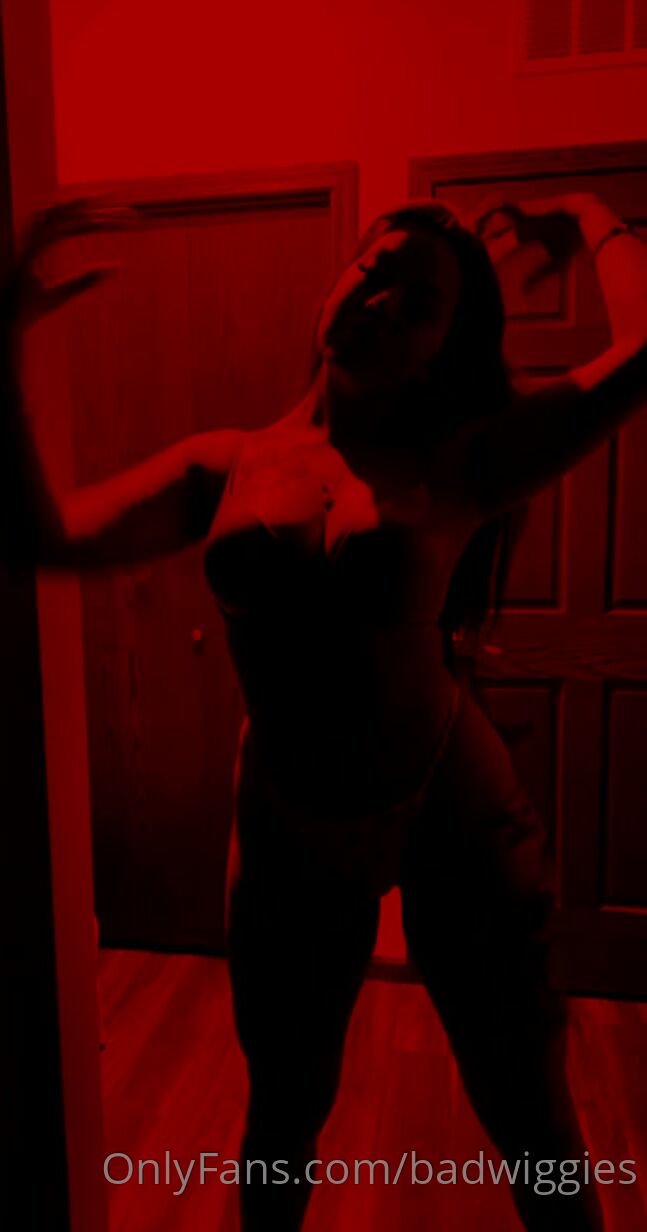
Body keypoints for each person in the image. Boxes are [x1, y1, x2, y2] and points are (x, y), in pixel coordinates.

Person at [2, 190, 647, 1232]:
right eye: (372, 267)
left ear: (440, 351)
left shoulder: (466, 460)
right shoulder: (222, 463)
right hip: (291, 823)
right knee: (283, 1110)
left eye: (419, 301)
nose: (380, 298)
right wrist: (4, 338)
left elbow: (642, 354)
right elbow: (50, 534)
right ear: (336, 276)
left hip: (449, 802)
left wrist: (584, 213)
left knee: (528, 1110)